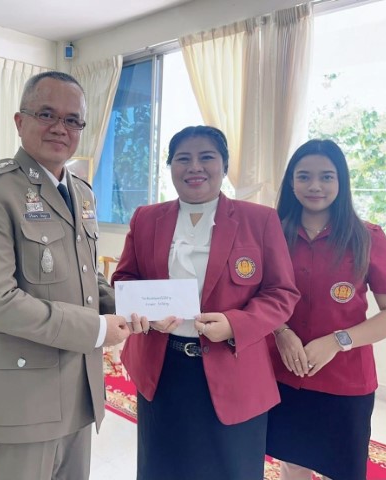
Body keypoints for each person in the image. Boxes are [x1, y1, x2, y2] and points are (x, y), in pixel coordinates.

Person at [0, 71, 130, 480]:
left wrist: (131, 306)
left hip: (80, 385)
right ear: (20, 122)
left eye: (72, 120)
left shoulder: (82, 192)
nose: (60, 128)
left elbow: (87, 275)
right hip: (25, 395)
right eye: (47, 114)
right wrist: (97, 328)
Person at [112, 125, 301, 480]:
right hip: (162, 367)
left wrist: (235, 325)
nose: (194, 167)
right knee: (162, 466)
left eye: (206, 157)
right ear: (170, 166)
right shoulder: (146, 218)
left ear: (224, 165)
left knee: (231, 468)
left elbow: (281, 293)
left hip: (234, 366)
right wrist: (149, 314)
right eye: (183, 158)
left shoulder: (259, 219)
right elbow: (125, 278)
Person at [266, 139, 386, 480]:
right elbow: (256, 297)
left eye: (326, 176)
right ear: (291, 182)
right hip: (282, 373)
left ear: (341, 182)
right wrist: (281, 332)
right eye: (304, 176)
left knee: (342, 469)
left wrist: (337, 341)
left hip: (345, 383)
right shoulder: (271, 234)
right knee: (291, 463)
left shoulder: (367, 237)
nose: (315, 186)